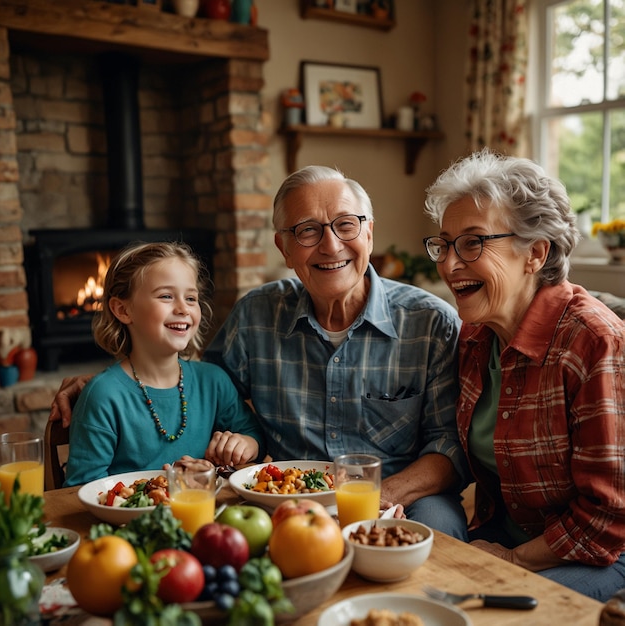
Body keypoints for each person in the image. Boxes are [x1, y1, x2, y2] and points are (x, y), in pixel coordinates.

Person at [51, 167, 469, 539]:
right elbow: (195, 386)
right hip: (282, 498)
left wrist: (379, 495)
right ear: (284, 248)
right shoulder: (256, 316)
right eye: (307, 230)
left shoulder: (430, 322)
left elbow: (450, 445)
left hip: (399, 492)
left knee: (437, 532)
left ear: (369, 233)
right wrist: (111, 385)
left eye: (346, 225)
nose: (330, 245)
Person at [422, 148, 625, 601]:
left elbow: (608, 518)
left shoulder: (594, 342)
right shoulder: (475, 336)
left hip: (601, 554)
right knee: (414, 595)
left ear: (534, 253)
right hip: (508, 537)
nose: (449, 264)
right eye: (444, 243)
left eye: (472, 242)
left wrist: (513, 562)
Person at [63, 241, 265, 487]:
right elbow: (81, 488)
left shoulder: (213, 381)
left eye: (191, 298)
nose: (183, 308)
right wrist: (170, 485)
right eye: (166, 296)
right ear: (123, 309)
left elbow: (254, 435)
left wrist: (246, 444)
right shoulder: (103, 395)